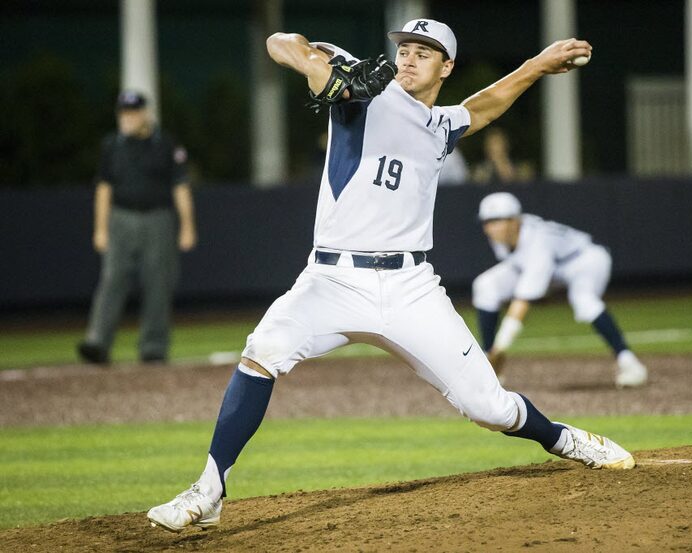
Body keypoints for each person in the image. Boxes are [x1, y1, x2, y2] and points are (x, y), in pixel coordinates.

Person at [147, 19, 634, 533]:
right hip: (331, 280)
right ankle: (210, 488)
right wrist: (324, 70)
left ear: (446, 67)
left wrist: (536, 65)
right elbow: (283, 45)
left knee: (489, 408)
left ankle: (561, 438)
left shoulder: (442, 126)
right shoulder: (362, 88)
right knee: (263, 350)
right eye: (404, 48)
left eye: (424, 52)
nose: (408, 58)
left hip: (411, 288)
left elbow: (485, 105)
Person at [473, 192, 648, 388]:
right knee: (485, 285)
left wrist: (501, 347)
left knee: (584, 301)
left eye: (496, 221)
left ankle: (630, 363)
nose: (489, 228)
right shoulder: (504, 237)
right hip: (553, 267)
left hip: (584, 260)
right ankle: (489, 366)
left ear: (514, 221)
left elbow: (522, 303)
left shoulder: (537, 244)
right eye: (486, 222)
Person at [77, 90, 197, 364]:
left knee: (158, 283)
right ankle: (97, 342)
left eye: (132, 112)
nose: (127, 118)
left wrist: (187, 226)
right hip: (121, 219)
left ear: (145, 113)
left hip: (158, 219)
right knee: (112, 280)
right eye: (123, 112)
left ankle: (153, 346)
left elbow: (180, 187)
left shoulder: (165, 144)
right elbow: (104, 189)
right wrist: (100, 228)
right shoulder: (112, 145)